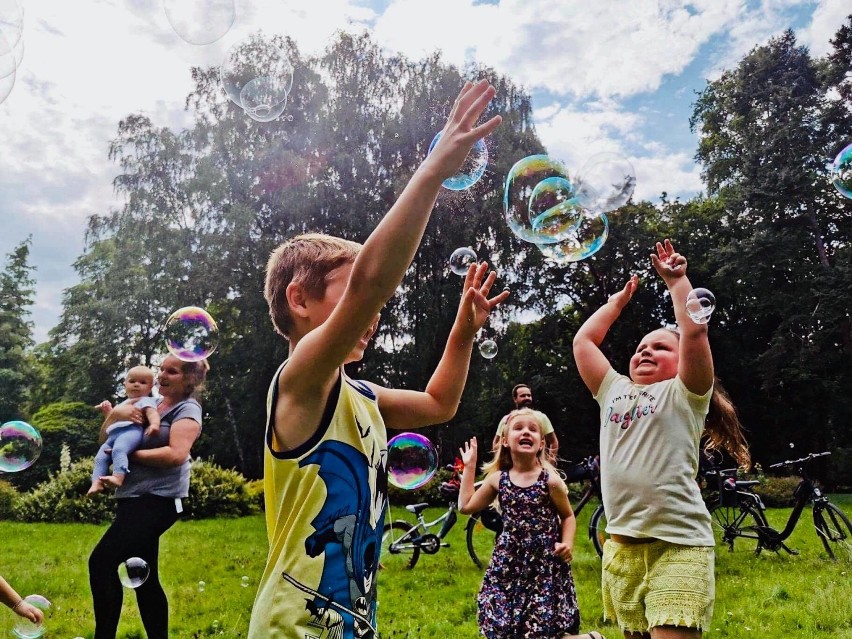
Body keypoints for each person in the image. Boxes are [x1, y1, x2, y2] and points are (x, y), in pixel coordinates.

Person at [247, 79, 506, 639]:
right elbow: (371, 285)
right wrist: (433, 169)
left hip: (352, 622)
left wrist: (462, 330)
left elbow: (440, 403)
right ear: (300, 299)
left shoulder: (359, 396)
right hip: (295, 627)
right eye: (353, 293)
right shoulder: (300, 383)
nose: (375, 310)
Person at [572, 239, 750, 639]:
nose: (646, 352)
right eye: (640, 348)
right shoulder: (612, 390)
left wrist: (677, 282)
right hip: (621, 551)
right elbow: (583, 343)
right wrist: (615, 305)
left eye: (660, 347)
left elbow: (695, 333)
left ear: (681, 360)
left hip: (678, 546)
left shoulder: (685, 394)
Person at [88, 355, 209, 639]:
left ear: (190, 379)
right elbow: (107, 440)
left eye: (173, 372)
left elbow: (176, 455)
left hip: (158, 501)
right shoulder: (151, 402)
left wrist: (127, 456)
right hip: (133, 498)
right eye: (162, 370)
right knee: (141, 576)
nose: (163, 375)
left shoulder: (187, 409)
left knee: (101, 562)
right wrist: (114, 416)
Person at [458, 409, 604, 639]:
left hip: (543, 564)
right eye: (518, 428)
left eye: (532, 429)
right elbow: (466, 505)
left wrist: (567, 544)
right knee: (500, 625)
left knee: (539, 629)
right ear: (505, 440)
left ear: (541, 443)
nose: (526, 432)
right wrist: (469, 467)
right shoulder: (498, 480)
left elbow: (567, 516)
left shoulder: (550, 481)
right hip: (508, 563)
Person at [88, 366, 161, 494]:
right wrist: (108, 411)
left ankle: (118, 477)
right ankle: (96, 483)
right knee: (100, 458)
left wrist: (154, 425)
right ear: (125, 384)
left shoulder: (145, 400)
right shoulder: (123, 403)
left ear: (150, 387)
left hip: (131, 431)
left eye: (142, 382)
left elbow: (152, 413)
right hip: (113, 435)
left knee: (119, 450)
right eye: (132, 381)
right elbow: (114, 421)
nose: (136, 385)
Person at [492, 383, 559, 462]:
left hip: (537, 467)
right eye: (523, 396)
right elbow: (496, 443)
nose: (527, 398)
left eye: (529, 395)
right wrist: (501, 463)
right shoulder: (506, 419)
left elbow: (554, 442)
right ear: (515, 399)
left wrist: (550, 464)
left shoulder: (541, 417)